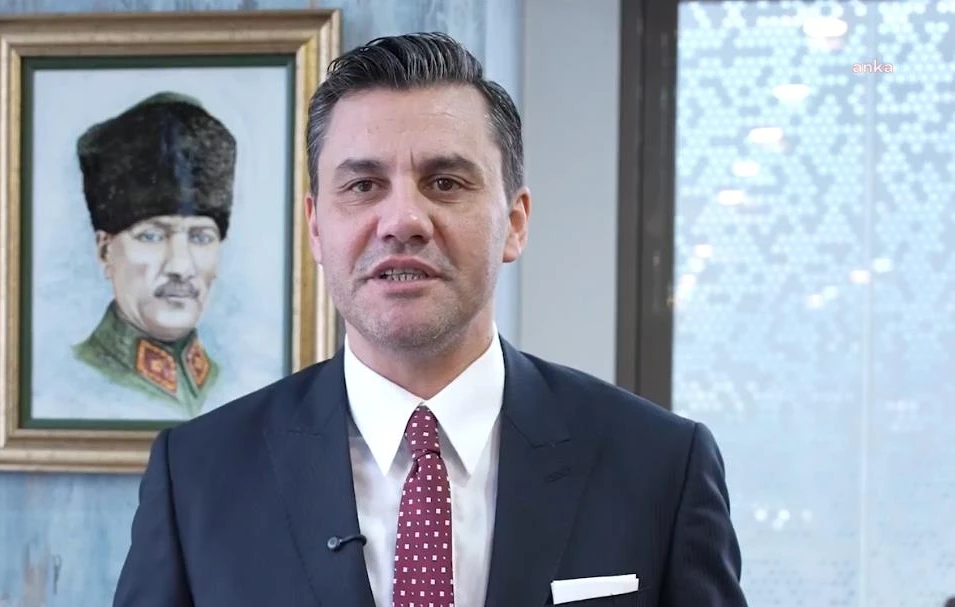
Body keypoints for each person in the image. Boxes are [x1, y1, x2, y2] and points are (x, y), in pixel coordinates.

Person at [112, 33, 748, 607]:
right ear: (315, 227)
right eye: (363, 186)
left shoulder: (661, 464)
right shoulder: (197, 477)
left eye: (445, 183)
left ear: (515, 223)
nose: (403, 221)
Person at [72, 91, 235, 419]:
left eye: (200, 237)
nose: (181, 266)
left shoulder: (232, 385)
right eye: (152, 236)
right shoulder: (72, 383)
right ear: (105, 251)